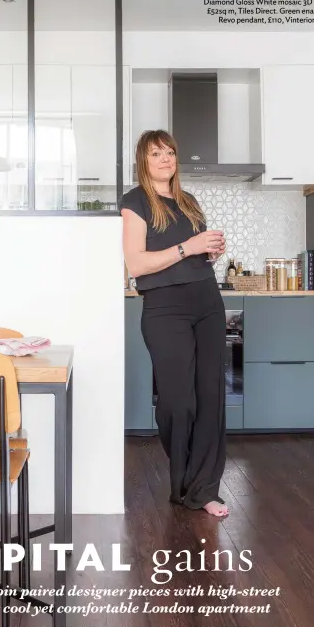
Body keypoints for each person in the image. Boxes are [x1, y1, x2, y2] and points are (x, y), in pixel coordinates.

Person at [120, 129, 229, 518]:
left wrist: (210, 251)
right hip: (166, 310)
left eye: (170, 152)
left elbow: (194, 254)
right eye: (156, 153)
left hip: (207, 302)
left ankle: (203, 490)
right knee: (178, 403)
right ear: (143, 161)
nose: (165, 158)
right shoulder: (135, 202)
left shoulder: (188, 201)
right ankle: (182, 480)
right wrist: (189, 247)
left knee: (211, 399)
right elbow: (137, 264)